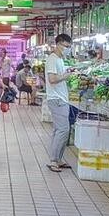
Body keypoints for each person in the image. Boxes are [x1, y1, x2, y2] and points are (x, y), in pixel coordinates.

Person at [46, 33, 74, 172]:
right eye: (66, 46)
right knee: (63, 130)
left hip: (61, 98)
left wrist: (66, 73)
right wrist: (66, 76)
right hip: (56, 99)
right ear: (58, 44)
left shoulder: (60, 59)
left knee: (61, 130)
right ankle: (53, 160)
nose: (67, 49)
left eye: (69, 47)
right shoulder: (52, 59)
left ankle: (58, 159)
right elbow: (52, 79)